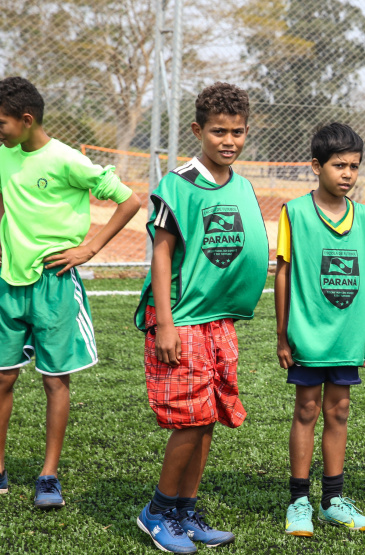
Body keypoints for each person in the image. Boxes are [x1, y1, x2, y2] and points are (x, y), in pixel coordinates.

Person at [134, 82, 269, 553]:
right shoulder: (178, 184)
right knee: (188, 418)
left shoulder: (243, 185)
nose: (228, 141)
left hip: (217, 319)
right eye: (218, 132)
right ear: (198, 130)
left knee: (207, 416)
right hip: (182, 317)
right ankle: (157, 511)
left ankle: (185, 511)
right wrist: (166, 323)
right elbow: (163, 256)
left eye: (237, 132)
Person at [0, 77, 141, 507]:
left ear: (26, 120)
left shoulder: (66, 160)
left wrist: (90, 248)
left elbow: (130, 200)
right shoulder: (4, 154)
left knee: (54, 380)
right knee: (3, 377)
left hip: (55, 283)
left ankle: (48, 476)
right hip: (8, 282)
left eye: (2, 122)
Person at [276, 122, 365, 537]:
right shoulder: (295, 212)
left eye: (354, 166)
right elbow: (283, 273)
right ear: (316, 166)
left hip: (347, 336)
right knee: (306, 410)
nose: (348, 174)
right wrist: (282, 334)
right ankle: (299, 501)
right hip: (308, 334)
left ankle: (333, 500)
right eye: (339, 165)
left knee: (339, 411)